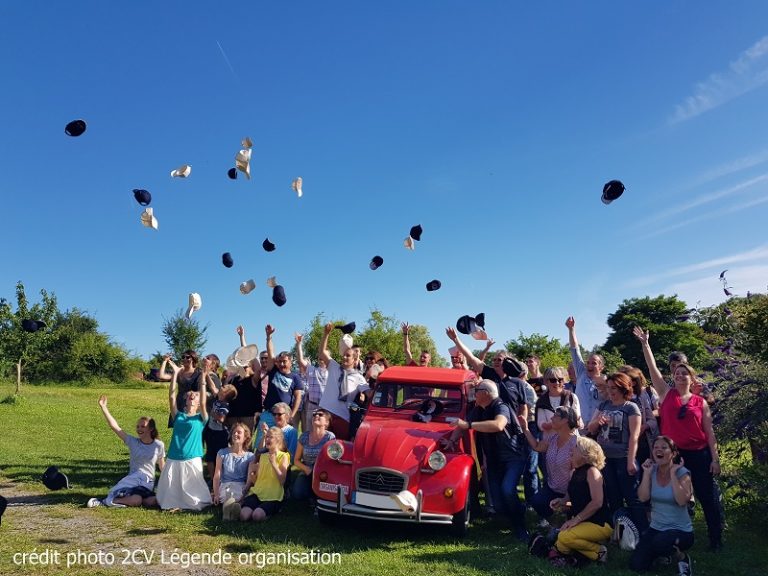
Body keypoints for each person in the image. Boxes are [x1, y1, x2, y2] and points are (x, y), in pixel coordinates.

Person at [634, 327, 724, 551]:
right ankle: (672, 531)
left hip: (699, 454)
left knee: (706, 496)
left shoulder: (700, 402)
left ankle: (716, 538)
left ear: (692, 378)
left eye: (685, 373)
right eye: (677, 373)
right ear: (673, 376)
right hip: (673, 455)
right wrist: (646, 344)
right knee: (671, 494)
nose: (680, 375)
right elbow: (652, 369)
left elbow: (709, 433)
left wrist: (715, 459)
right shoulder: (666, 394)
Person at [447, 380, 530, 541]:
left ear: (486, 393)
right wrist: (451, 441)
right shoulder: (479, 409)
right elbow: (461, 426)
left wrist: (469, 424)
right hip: (494, 460)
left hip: (513, 457)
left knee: (507, 490)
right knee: (498, 504)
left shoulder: (501, 406)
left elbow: (499, 425)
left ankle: (520, 527)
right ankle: (516, 512)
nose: (474, 393)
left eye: (476, 390)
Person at [586, 371, 645, 532]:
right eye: (609, 387)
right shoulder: (603, 405)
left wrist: (631, 460)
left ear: (623, 388)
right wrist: (598, 421)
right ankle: (620, 532)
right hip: (604, 459)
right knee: (613, 495)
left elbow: (634, 436)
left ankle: (642, 530)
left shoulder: (631, 407)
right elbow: (590, 428)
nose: (611, 391)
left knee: (632, 496)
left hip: (623, 457)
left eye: (614, 388)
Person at [630, 436, 694, 575]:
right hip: (656, 528)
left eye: (664, 448)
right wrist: (646, 474)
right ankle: (662, 555)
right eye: (656, 448)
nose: (659, 450)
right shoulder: (651, 471)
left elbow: (682, 501)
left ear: (673, 453)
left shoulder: (683, 473)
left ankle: (682, 558)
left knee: (660, 543)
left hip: (680, 531)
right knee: (637, 565)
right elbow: (642, 497)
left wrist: (672, 474)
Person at [87, 395, 165, 508]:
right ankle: (104, 502)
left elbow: (163, 467)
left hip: (147, 484)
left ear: (151, 429)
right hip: (133, 480)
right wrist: (104, 407)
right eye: (138, 427)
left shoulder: (159, 445)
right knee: (136, 500)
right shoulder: (133, 442)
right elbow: (115, 427)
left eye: (143, 426)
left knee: (155, 501)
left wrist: (172, 483)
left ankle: (131, 500)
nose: (139, 429)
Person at [548, 436, 611, 567]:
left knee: (564, 538)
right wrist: (561, 501)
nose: (571, 450)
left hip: (600, 523)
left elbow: (597, 502)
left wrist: (575, 519)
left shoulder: (592, 472)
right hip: (583, 521)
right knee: (561, 541)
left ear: (585, 454)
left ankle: (598, 552)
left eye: (575, 448)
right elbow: (572, 500)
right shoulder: (574, 472)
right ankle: (578, 552)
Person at [155, 364, 212, 511]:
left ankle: (191, 505)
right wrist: (175, 374)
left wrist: (204, 378)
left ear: (198, 403)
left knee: (193, 489)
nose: (192, 397)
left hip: (192, 457)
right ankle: (174, 505)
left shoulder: (201, 418)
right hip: (174, 456)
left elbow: (205, 401)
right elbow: (172, 396)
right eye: (189, 396)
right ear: (185, 401)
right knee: (171, 489)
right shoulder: (178, 416)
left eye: (195, 396)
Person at [519, 405, 580, 524]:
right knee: (537, 501)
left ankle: (568, 514)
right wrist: (525, 429)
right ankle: (553, 521)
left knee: (571, 510)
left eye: (555, 416)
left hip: (572, 491)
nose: (551, 419)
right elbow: (537, 446)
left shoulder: (577, 443)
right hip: (553, 488)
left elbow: (577, 475)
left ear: (565, 420)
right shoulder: (553, 438)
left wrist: (566, 498)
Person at [318, 322, 370, 440]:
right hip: (326, 412)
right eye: (344, 355)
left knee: (339, 450)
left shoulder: (358, 377)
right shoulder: (334, 366)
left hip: (343, 417)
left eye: (348, 356)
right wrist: (326, 334)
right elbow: (322, 352)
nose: (345, 357)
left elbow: (369, 393)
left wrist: (376, 379)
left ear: (354, 359)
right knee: (320, 448)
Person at [258, 324, 304, 446]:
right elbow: (270, 352)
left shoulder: (295, 377)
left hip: (283, 416)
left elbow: (298, 398)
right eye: (280, 361)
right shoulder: (274, 370)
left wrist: (291, 416)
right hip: (268, 414)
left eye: (285, 361)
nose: (282, 364)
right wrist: (268, 337)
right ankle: (258, 463)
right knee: (261, 443)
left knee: (281, 445)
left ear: (290, 361)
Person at [240, 426, 290, 522]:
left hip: (273, 496)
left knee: (257, 516)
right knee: (243, 516)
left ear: (278, 439)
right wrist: (252, 478)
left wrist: (274, 464)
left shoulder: (284, 456)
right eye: (266, 436)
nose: (267, 439)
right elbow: (257, 480)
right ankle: (258, 509)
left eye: (270, 437)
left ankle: (272, 511)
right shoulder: (262, 456)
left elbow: (282, 481)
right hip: (258, 493)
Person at [565, 316, 607, 430]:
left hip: (598, 427)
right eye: (588, 362)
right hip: (580, 426)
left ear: (601, 367)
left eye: (594, 363)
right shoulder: (581, 374)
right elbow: (575, 350)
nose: (589, 365)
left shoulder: (606, 382)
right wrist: (571, 329)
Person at [212, 423, 254, 521]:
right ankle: (229, 513)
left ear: (245, 437)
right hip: (226, 484)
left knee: (238, 497)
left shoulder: (250, 456)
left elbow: (249, 479)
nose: (235, 434)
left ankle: (230, 512)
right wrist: (216, 493)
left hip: (241, 485)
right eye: (234, 432)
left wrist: (245, 492)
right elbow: (217, 475)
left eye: (239, 432)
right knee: (228, 494)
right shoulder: (222, 453)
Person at [292, 408, 335, 501]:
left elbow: (332, 460)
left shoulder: (330, 437)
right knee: (297, 493)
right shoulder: (304, 436)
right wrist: (306, 469)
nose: (316, 416)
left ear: (327, 423)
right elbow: (296, 460)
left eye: (320, 415)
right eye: (314, 414)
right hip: (307, 470)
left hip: (323, 473)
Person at [157, 351, 203, 427]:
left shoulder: (199, 372)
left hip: (193, 403)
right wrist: (165, 361)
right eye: (183, 357)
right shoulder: (179, 372)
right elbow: (162, 376)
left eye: (188, 357)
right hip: (179, 403)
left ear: (193, 359)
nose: (185, 359)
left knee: (192, 427)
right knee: (179, 427)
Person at [295, 332, 328, 433]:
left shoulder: (333, 372)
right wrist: (299, 344)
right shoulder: (312, 370)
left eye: (324, 356)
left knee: (324, 432)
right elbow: (300, 360)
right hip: (312, 406)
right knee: (309, 431)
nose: (321, 358)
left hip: (326, 407)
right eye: (320, 356)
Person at [203, 405, 230, 480]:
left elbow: (222, 419)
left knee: (221, 456)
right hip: (210, 431)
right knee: (210, 457)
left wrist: (213, 413)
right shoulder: (215, 401)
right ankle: (213, 479)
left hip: (221, 433)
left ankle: (221, 479)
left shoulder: (226, 405)